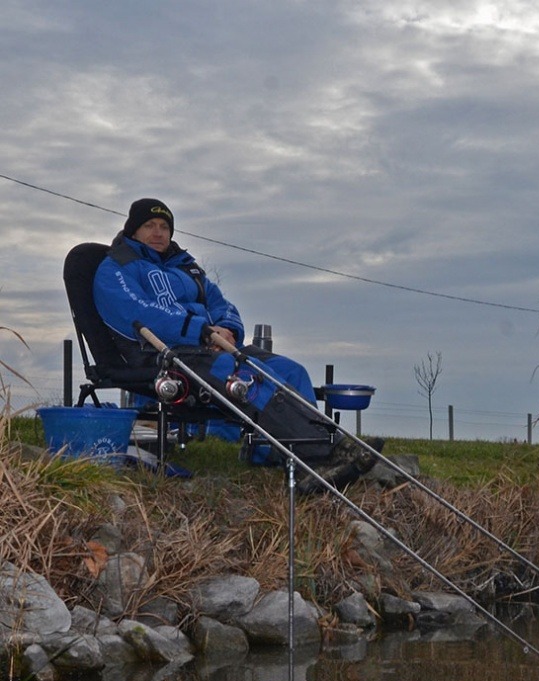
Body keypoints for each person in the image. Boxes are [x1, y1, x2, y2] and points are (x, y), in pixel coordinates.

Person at [93, 198, 379, 492]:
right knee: (241, 375)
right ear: (133, 230)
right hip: (163, 354)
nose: (158, 233)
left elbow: (221, 304)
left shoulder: (186, 268)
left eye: (164, 226)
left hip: (211, 345)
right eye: (149, 226)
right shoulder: (117, 267)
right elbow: (137, 312)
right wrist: (200, 332)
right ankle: (316, 456)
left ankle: (274, 453)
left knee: (290, 370)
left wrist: (228, 330)